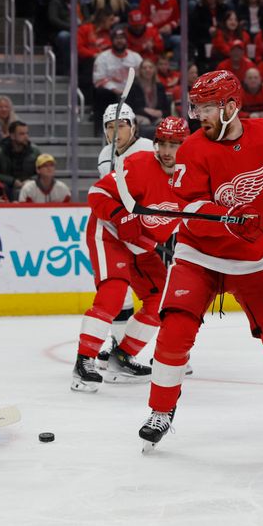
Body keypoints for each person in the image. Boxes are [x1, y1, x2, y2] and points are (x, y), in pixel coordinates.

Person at [137, 70, 263, 449]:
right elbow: (189, 207)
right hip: (199, 256)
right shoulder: (193, 148)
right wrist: (228, 220)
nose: (198, 116)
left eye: (206, 108)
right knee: (175, 332)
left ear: (230, 107)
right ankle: (160, 411)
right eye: (195, 108)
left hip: (253, 260)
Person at [72, 116, 188, 392]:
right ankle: (83, 362)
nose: (168, 152)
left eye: (176, 145)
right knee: (113, 293)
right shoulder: (139, 165)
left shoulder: (195, 178)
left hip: (142, 243)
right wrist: (122, 217)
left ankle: (121, 357)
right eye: (163, 144)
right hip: (109, 233)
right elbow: (97, 193)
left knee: (161, 299)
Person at [94, 102, 155, 364]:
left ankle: (178, 354)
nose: (115, 131)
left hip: (151, 229)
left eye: (121, 125)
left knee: (163, 293)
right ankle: (121, 348)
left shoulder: (147, 149)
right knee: (120, 291)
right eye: (110, 127)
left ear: (133, 127)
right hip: (122, 231)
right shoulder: (105, 154)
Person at [92, 25, 143, 135]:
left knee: (137, 91)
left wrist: (127, 90)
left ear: (126, 40)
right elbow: (98, 79)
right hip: (110, 93)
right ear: (112, 40)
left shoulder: (135, 57)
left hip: (130, 92)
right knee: (101, 93)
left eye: (122, 38)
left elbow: (142, 77)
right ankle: (101, 129)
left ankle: (134, 130)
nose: (120, 41)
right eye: (116, 38)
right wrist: (115, 90)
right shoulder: (103, 57)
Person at [0, 120, 41, 195]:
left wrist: (30, 180)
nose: (26, 137)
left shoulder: (35, 151)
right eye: (22, 134)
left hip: (29, 186)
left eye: (27, 133)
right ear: (12, 136)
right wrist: (12, 181)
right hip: (5, 187)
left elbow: (41, 171)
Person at [127, 58, 169, 127]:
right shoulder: (134, 86)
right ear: (140, 71)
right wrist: (145, 110)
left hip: (156, 117)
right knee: (145, 121)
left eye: (150, 67)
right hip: (139, 115)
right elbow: (130, 107)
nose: (148, 70)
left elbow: (166, 109)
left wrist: (161, 112)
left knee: (163, 123)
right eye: (144, 68)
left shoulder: (160, 87)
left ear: (154, 70)